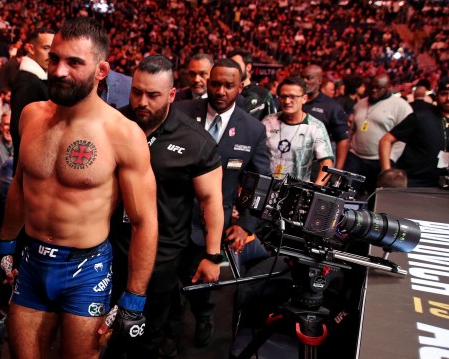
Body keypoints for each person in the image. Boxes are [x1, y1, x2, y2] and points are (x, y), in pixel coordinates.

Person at [0, 18, 157, 359]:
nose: (58, 71)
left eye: (74, 62)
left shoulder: (123, 134)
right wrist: (6, 243)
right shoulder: (29, 115)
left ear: (101, 71)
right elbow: (21, 186)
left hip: (86, 271)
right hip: (32, 261)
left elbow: (144, 222)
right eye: (54, 58)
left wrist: (134, 297)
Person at [103, 55, 223, 359]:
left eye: (153, 95)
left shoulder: (195, 141)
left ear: (171, 94)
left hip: (162, 253)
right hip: (109, 246)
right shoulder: (114, 122)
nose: (142, 101)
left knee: (147, 330)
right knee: (101, 327)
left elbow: (211, 201)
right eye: (137, 91)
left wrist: (212, 255)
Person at [172, 58, 271, 349]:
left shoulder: (252, 129)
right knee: (165, 284)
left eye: (229, 85)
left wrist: (245, 225)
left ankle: (204, 317)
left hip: (212, 225)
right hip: (171, 215)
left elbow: (260, 182)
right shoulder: (180, 112)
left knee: (202, 284)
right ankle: (171, 332)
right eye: (215, 83)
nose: (220, 90)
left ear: (240, 87)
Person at [344, 73, 413, 195]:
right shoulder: (360, 103)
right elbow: (353, 129)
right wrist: (349, 144)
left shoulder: (401, 107)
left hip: (379, 160)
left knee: (375, 198)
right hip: (355, 157)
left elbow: (404, 137)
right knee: (346, 193)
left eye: (379, 87)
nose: (374, 90)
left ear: (389, 87)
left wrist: (390, 159)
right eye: (372, 86)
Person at [379, 77, 449, 187]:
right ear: (437, 95)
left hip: (442, 188)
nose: (448, 98)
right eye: (444, 94)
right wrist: (387, 173)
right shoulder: (421, 116)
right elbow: (385, 141)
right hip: (412, 185)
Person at [262, 77, 334, 184]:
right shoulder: (268, 122)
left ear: (304, 98)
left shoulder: (315, 127)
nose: (287, 101)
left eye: (293, 97)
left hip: (297, 191)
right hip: (266, 185)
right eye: (283, 96)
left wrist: (316, 189)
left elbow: (326, 163)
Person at [10, 27, 55, 174]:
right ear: (31, 48)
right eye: (46, 48)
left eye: (53, 49)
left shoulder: (39, 78)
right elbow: (20, 130)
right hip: (31, 170)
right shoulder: (27, 82)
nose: (51, 54)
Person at [301, 65, 349, 170]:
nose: (304, 81)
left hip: (317, 164)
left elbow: (342, 140)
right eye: (302, 77)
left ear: (319, 80)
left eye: (308, 78)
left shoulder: (332, 107)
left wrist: (337, 170)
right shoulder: (295, 101)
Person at [228, 48, 277, 120]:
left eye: (236, 65)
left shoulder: (263, 95)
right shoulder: (226, 93)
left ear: (248, 67)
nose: (232, 68)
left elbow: (271, 125)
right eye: (230, 65)